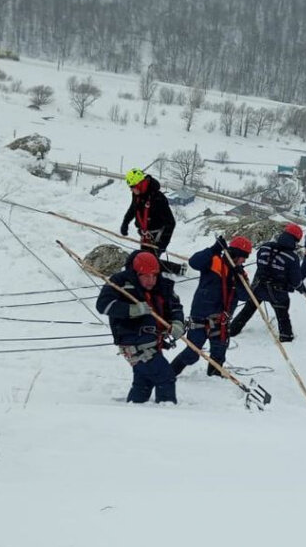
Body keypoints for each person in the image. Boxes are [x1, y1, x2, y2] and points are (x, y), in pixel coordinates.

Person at [96, 250, 185, 404]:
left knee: (144, 382)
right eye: (146, 276)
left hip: (154, 342)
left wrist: (177, 323)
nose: (151, 280)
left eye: (154, 275)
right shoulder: (120, 282)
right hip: (133, 342)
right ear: (136, 273)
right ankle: (169, 416)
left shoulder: (163, 285)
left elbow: (175, 306)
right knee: (166, 376)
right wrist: (131, 310)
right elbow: (103, 305)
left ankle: (135, 409)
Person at [170, 235, 252, 378]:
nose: (244, 260)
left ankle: (214, 379)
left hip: (221, 321)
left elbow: (245, 296)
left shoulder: (240, 274)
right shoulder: (214, 261)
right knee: (192, 353)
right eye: (243, 257)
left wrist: (239, 279)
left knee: (218, 354)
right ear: (235, 254)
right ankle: (168, 373)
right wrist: (213, 249)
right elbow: (194, 262)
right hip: (200, 317)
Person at [227, 223, 306, 343]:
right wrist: (300, 286)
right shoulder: (292, 257)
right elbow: (295, 279)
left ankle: (232, 330)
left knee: (248, 309)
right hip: (277, 292)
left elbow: (260, 263)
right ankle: (286, 336)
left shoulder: (265, 247)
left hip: (258, 286)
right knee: (282, 313)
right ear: (295, 240)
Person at [120, 168, 176, 256]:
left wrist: (163, 244)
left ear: (139, 185)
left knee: (151, 262)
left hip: (156, 238)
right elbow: (133, 208)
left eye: (132, 187)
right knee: (144, 259)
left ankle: (177, 269)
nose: (131, 190)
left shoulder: (158, 198)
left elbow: (171, 222)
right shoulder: (137, 195)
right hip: (145, 235)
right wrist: (125, 222)